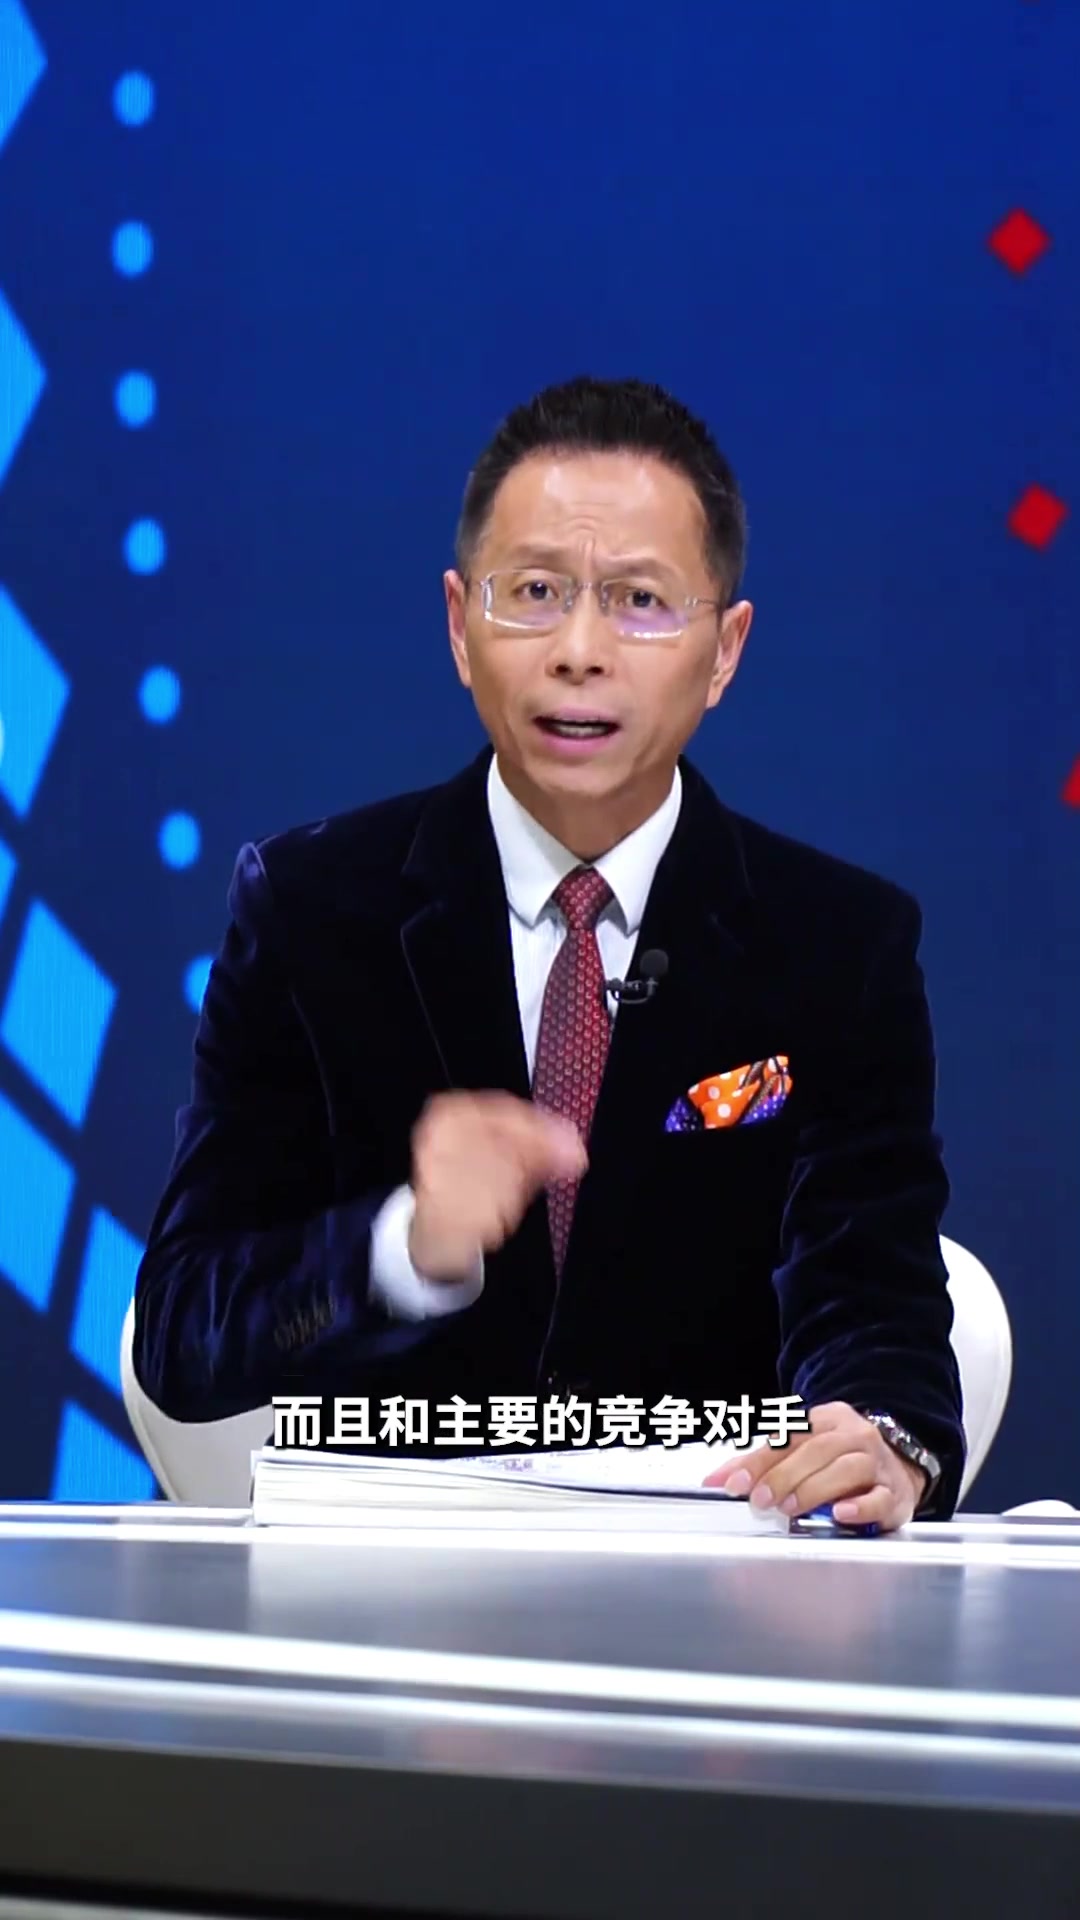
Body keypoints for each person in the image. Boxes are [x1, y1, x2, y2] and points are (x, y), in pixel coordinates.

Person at [133, 375, 964, 1528]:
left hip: (714, 1577)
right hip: (389, 1587)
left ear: (725, 651)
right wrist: (403, 1247)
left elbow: (876, 1300)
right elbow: (183, 1332)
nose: (580, 650)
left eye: (639, 601)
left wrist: (884, 1436)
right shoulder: (312, 911)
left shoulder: (840, 945)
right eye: (533, 592)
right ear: (458, 626)